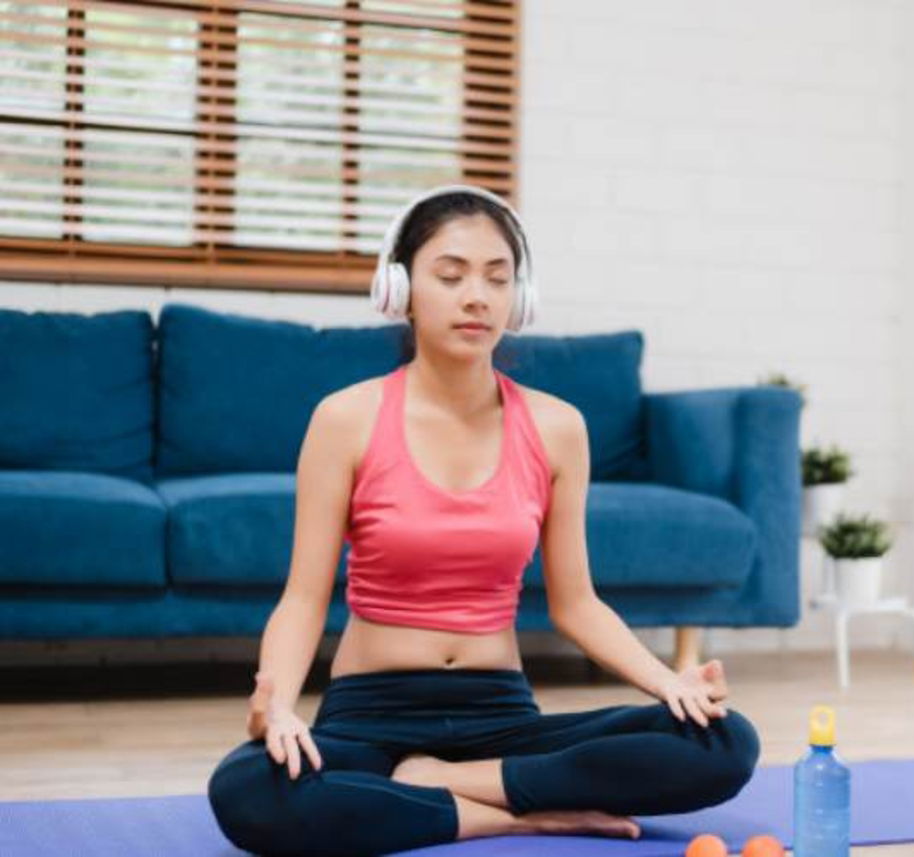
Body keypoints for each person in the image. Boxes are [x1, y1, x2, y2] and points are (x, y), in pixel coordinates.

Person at [206, 184, 760, 857]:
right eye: (451, 275)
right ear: (399, 289)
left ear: (518, 299)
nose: (477, 296)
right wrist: (283, 703)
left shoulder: (558, 428)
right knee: (245, 789)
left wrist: (667, 681)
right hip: (369, 714)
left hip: (499, 714)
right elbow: (302, 596)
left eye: (498, 279)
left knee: (724, 741)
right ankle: (514, 815)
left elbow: (577, 604)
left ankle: (445, 784)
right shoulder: (344, 418)